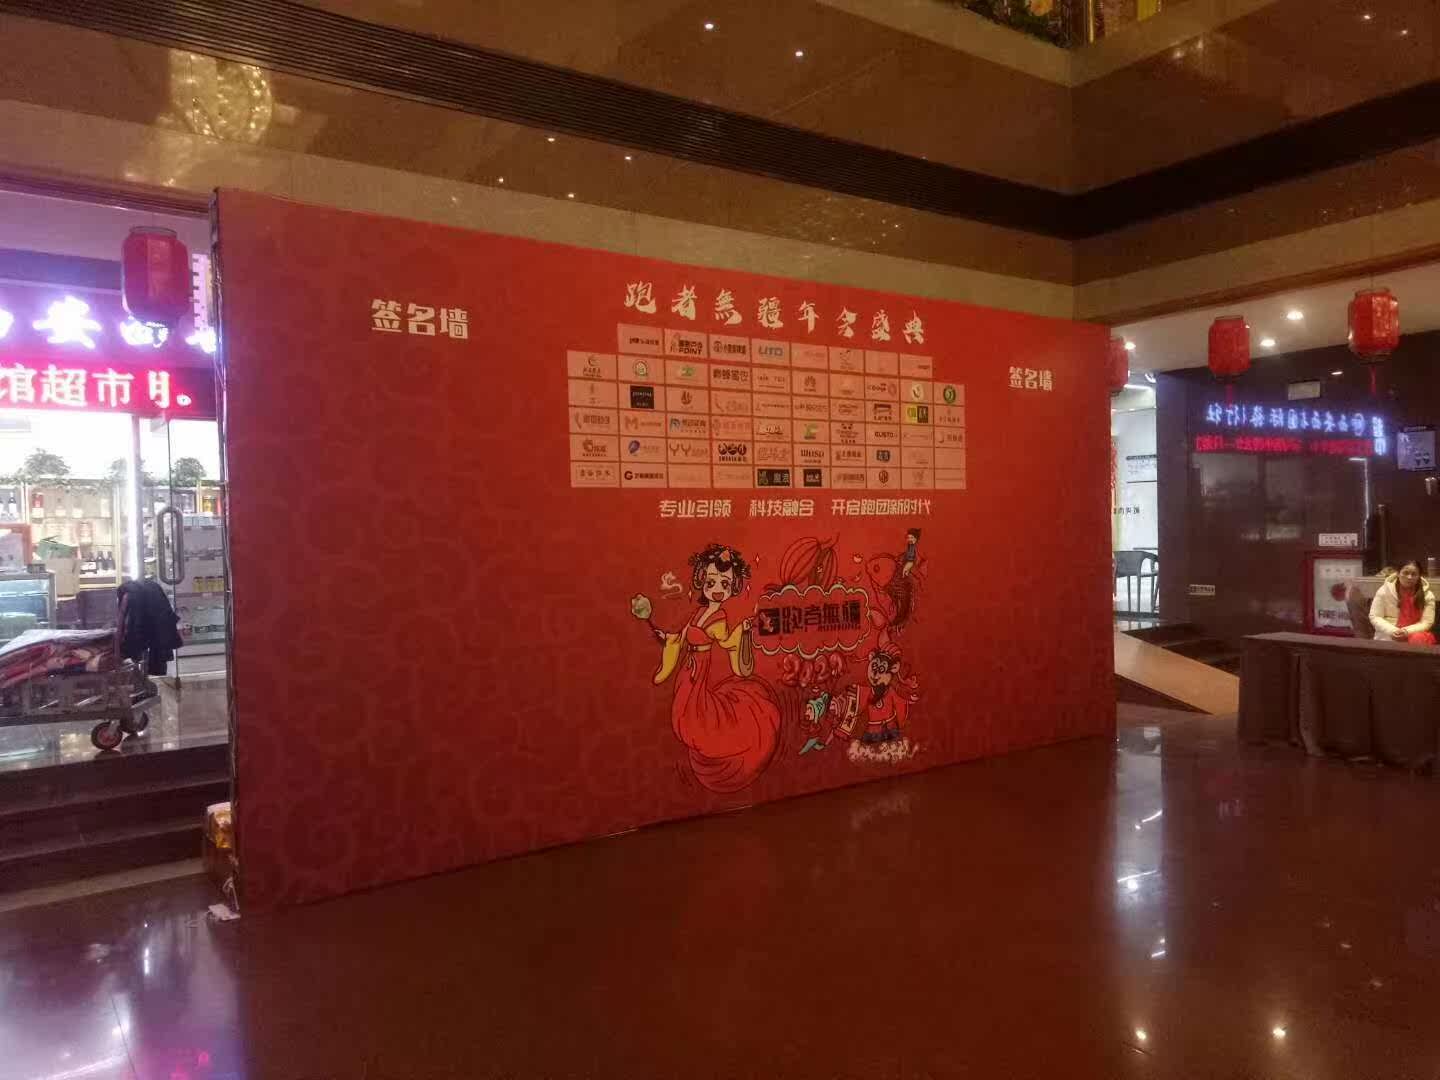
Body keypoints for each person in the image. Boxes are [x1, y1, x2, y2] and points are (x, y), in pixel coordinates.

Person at [633, 543, 782, 793]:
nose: (717, 590)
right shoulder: (700, 611)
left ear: (733, 587)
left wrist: (742, 632)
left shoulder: (718, 619)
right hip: (689, 667)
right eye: (712, 582)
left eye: (725, 584)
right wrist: (663, 635)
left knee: (694, 711)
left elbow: (727, 642)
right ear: (702, 580)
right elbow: (680, 637)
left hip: (699, 667)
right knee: (684, 702)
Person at [1369, 559, 1437, 646]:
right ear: (1398, 573)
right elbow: (1375, 616)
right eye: (1405, 573)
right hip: (1388, 634)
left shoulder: (1427, 595)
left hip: (1415, 633)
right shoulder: (1384, 591)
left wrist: (1406, 631)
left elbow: (1426, 622)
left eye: (1414, 574)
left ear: (1419, 576)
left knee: (1418, 638)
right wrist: (1392, 631)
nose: (1409, 577)